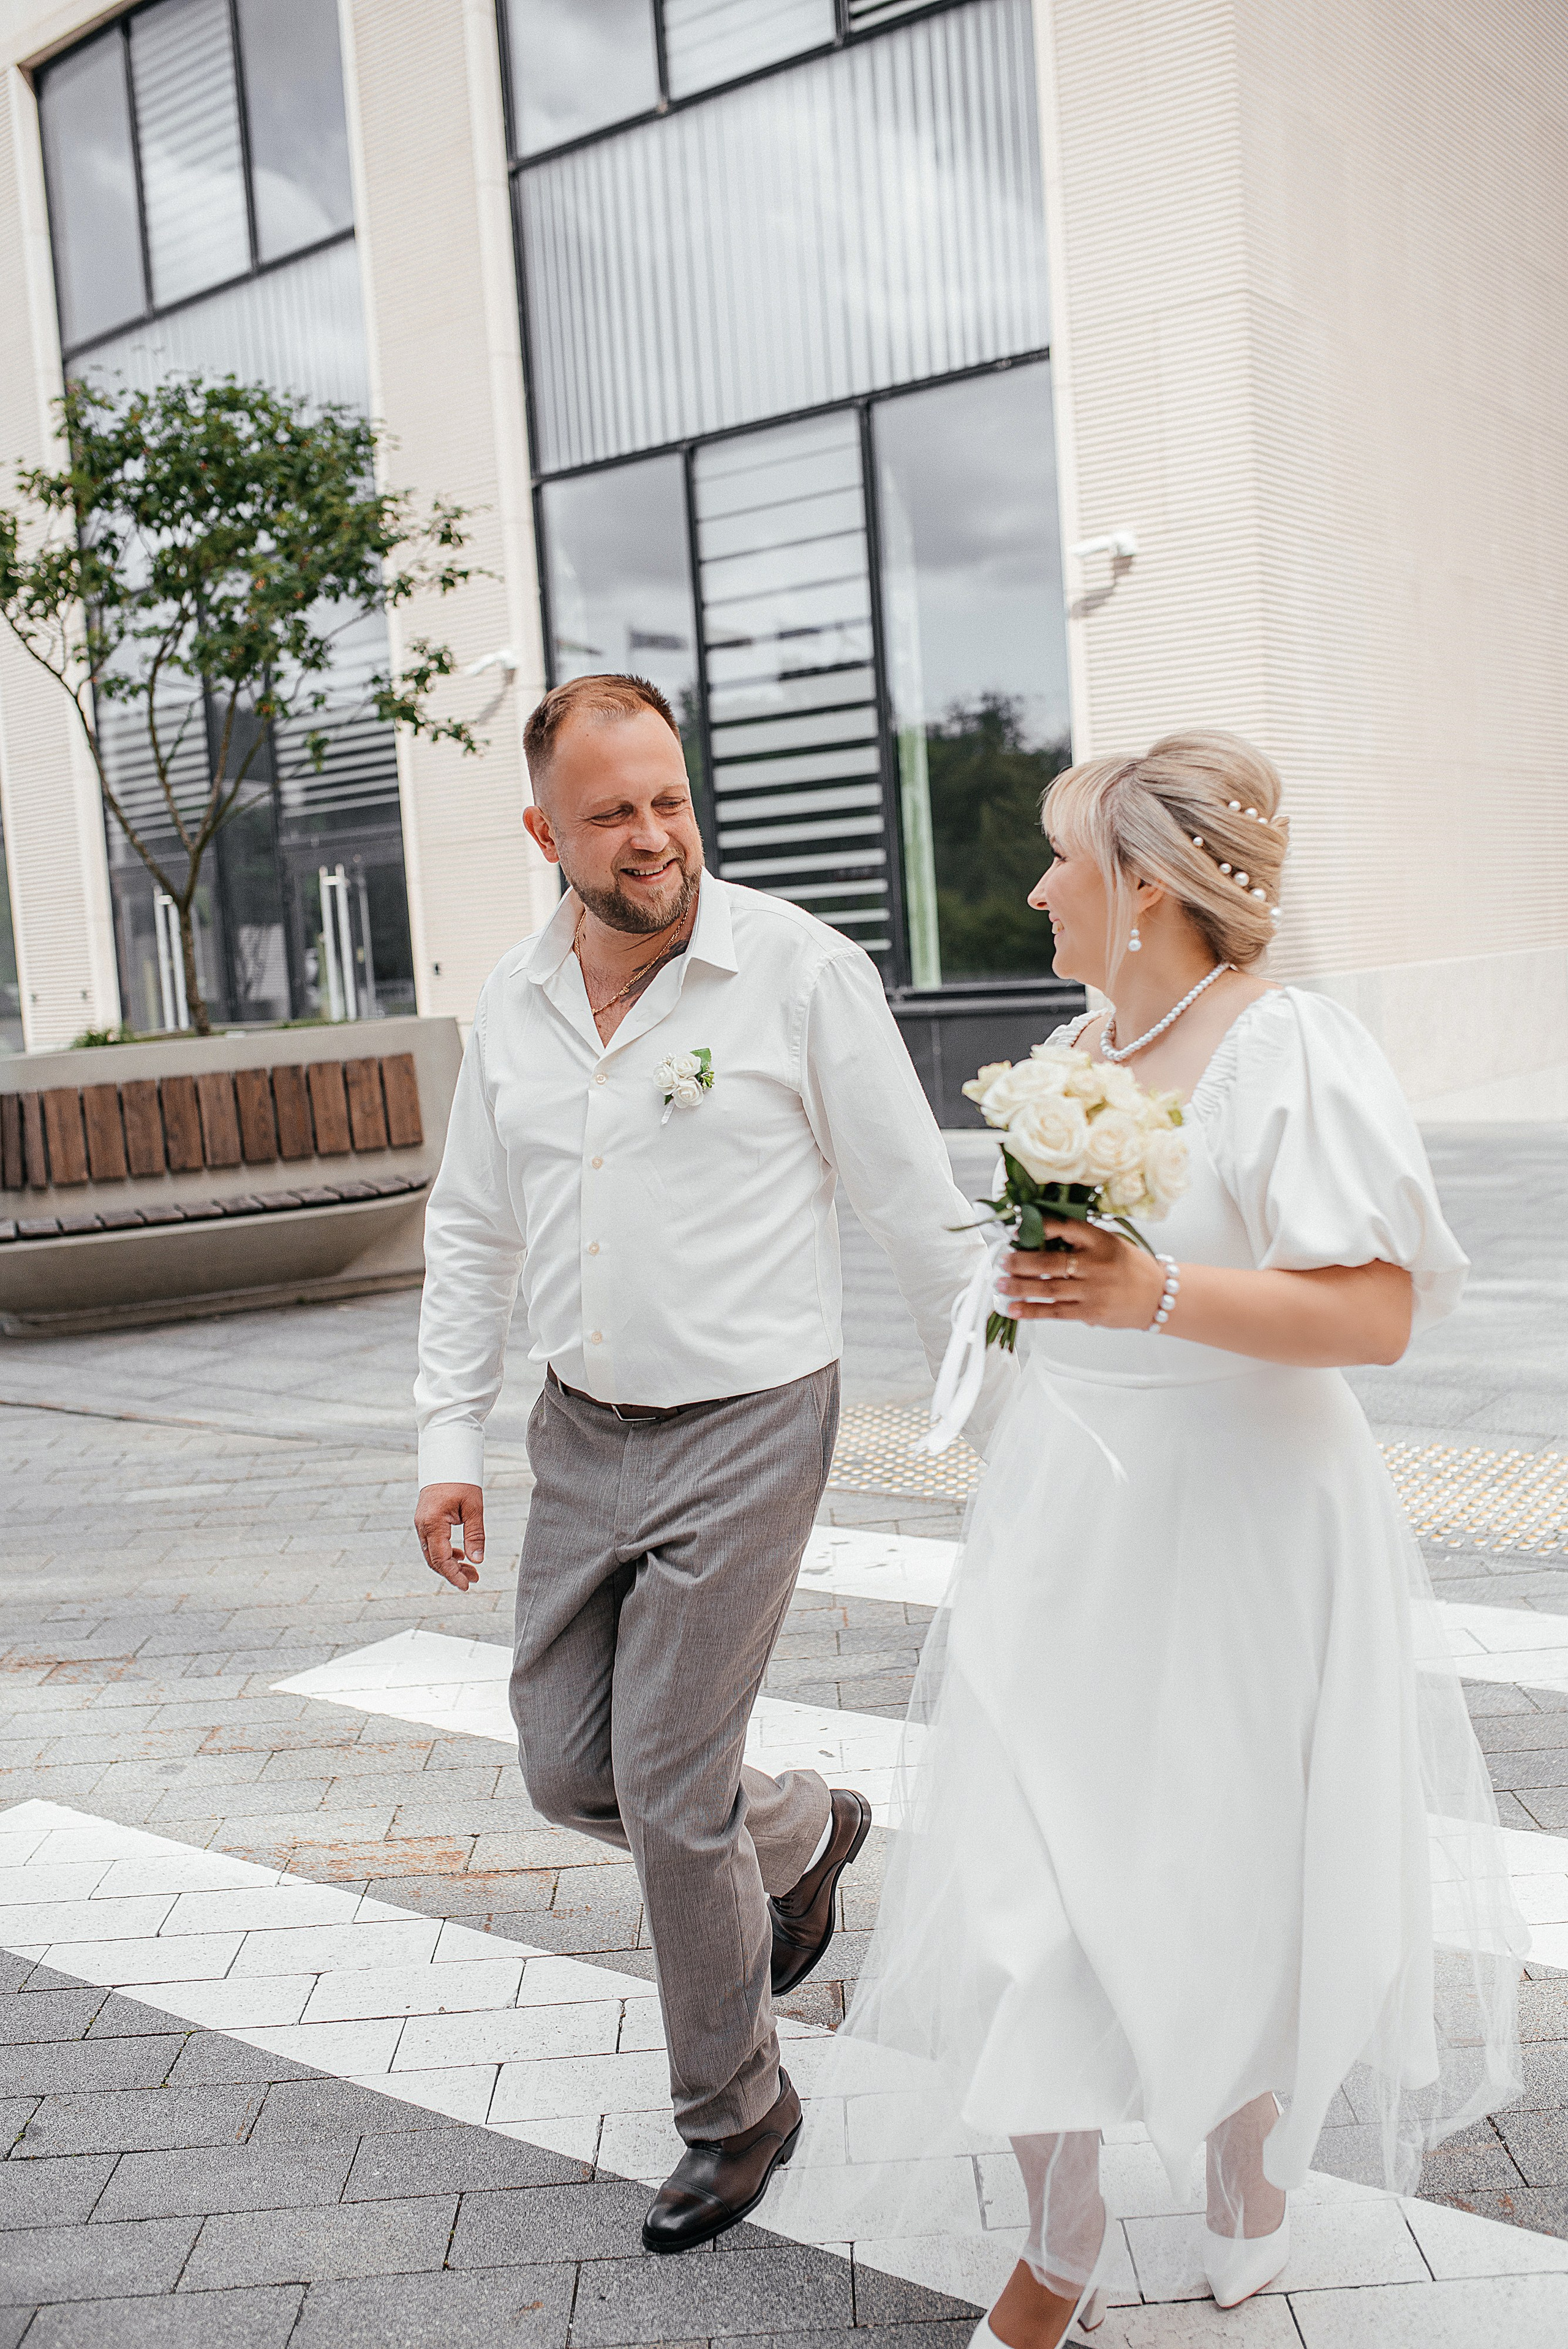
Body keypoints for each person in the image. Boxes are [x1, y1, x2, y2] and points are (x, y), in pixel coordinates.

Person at [790, 733, 1522, 2347]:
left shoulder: (1288, 1052)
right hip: (1073, 1512)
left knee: (1228, 1862)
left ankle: (1246, 2166)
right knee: (1019, 1866)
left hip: (1249, 1521)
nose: (1037, 884)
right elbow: (1056, 1281)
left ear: (1145, 889)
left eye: (1063, 858)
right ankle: (1060, 2235)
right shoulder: (1072, 1051)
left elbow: (1379, 1311)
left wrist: (1158, 1292)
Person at [411, 672, 1009, 2255]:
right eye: (614, 812)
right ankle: (803, 1832)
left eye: (670, 798)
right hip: (580, 1432)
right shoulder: (512, 1004)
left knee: (671, 1783)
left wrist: (1020, 1433)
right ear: (545, 829)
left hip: (751, 1422)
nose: (657, 835)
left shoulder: (800, 975)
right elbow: (470, 1230)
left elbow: (920, 1216)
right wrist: (441, 1442)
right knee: (565, 1761)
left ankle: (739, 2108)